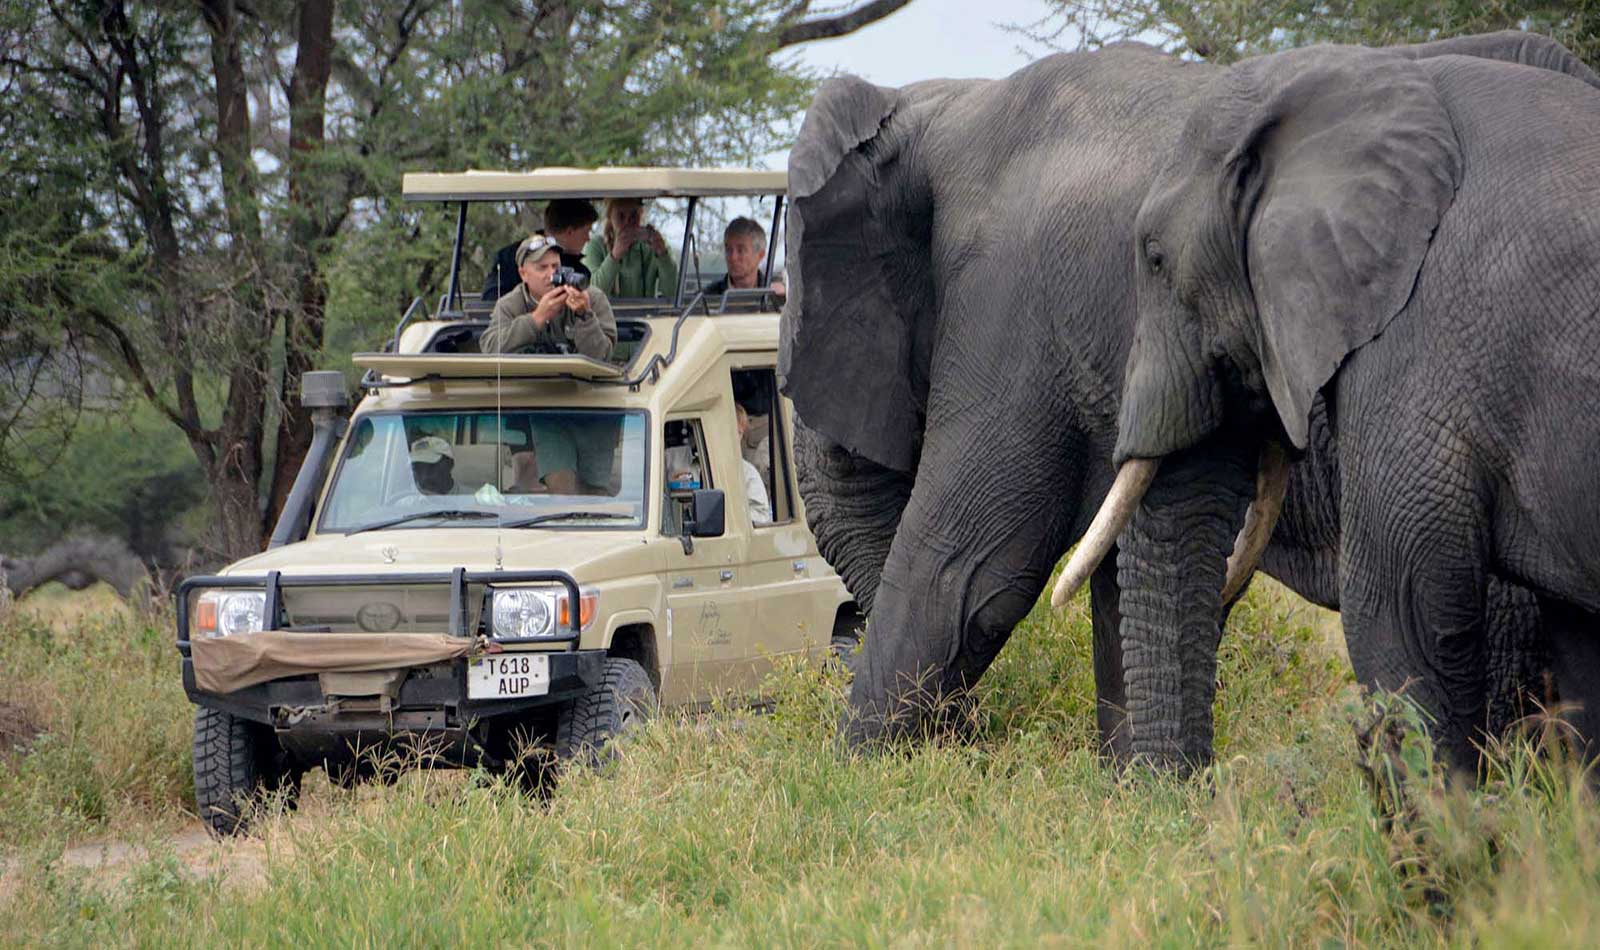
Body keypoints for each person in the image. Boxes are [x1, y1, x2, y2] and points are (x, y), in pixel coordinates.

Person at [481, 235, 616, 359]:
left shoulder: (591, 298)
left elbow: (602, 357)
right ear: (523, 274)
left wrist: (585, 316)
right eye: (542, 267)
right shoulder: (510, 304)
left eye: (555, 266)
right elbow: (490, 348)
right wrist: (536, 319)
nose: (552, 274)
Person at [480, 199, 598, 301]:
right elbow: (491, 301)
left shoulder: (578, 272)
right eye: (586, 232)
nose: (588, 239)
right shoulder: (509, 258)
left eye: (555, 266)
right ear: (570, 232)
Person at [582, 197, 679, 298]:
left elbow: (672, 293)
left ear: (641, 215)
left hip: (645, 313)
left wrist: (663, 255)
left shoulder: (652, 247)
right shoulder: (595, 246)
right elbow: (591, 294)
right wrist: (614, 257)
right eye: (621, 216)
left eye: (633, 216)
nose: (627, 222)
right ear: (610, 217)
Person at [703, 217, 785, 299]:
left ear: (760, 255)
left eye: (741, 250)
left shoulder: (776, 297)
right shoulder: (706, 298)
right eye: (728, 250)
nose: (733, 257)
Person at [736, 404, 772, 525]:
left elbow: (761, 516)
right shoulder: (696, 464)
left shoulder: (747, 472)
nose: (736, 437)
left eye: (739, 433)